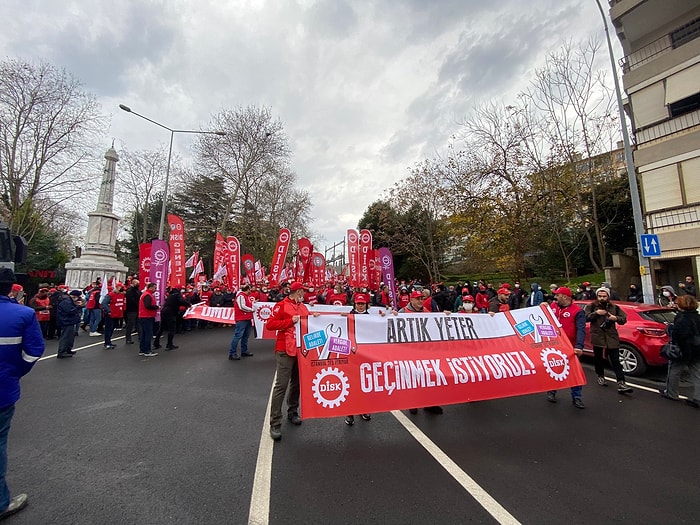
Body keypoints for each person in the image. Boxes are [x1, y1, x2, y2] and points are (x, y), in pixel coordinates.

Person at [0, 268, 44, 519]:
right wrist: (16, 371)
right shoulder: (23, 313)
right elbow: (34, 350)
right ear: (11, 289)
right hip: (3, 389)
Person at [266, 282, 317, 440]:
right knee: (281, 385)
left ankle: (292, 411)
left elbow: (309, 323)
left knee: (297, 383)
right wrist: (290, 321)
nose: (304, 294)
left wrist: (315, 318)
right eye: (303, 291)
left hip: (300, 351)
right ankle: (275, 422)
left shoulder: (303, 307)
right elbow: (270, 325)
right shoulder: (281, 306)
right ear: (298, 291)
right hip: (285, 350)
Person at [397, 291, 443, 415]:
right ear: (411, 300)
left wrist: (446, 315)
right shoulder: (403, 312)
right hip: (409, 350)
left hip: (425, 350)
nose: (420, 301)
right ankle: (413, 403)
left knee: (429, 376)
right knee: (413, 377)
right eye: (417, 299)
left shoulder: (427, 312)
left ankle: (429, 403)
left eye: (422, 299)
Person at [584, 287, 633, 393]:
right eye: (600, 296)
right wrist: (596, 314)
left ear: (608, 296)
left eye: (604, 296)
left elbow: (623, 319)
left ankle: (621, 382)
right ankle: (600, 375)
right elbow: (585, 317)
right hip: (597, 336)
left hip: (611, 336)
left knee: (615, 360)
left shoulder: (614, 307)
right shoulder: (591, 306)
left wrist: (615, 318)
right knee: (598, 359)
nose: (602, 298)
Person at [547, 287, 585, 408]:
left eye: (557, 295)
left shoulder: (577, 311)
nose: (555, 297)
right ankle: (551, 391)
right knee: (553, 369)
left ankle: (577, 397)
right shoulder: (552, 306)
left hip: (571, 347)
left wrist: (579, 346)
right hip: (554, 346)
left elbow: (581, 329)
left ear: (564, 296)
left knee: (575, 372)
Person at [659, 294, 700, 407]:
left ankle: (671, 393)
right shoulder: (697, 317)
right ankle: (698, 398)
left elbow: (678, 335)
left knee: (674, 372)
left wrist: (669, 328)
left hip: (682, 351)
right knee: (697, 374)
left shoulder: (681, 318)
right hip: (697, 350)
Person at [343, 293, 373, 426]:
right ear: (354, 304)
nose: (360, 306)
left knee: (364, 384)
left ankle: (364, 409)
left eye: (362, 304)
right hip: (351, 355)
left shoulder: (372, 318)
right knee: (351, 384)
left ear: (366, 304)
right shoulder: (347, 316)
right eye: (358, 304)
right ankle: (349, 412)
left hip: (365, 355)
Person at [228, 284, 255, 360]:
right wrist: (251, 310)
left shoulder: (246, 296)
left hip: (247, 318)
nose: (251, 291)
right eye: (250, 289)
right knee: (238, 335)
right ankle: (232, 353)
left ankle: (244, 351)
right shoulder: (241, 296)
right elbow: (242, 306)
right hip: (241, 319)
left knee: (245, 336)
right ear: (247, 289)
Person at [56, 290, 84, 358]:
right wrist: (78, 306)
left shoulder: (69, 301)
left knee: (70, 337)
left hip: (69, 321)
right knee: (65, 337)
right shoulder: (66, 301)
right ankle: (62, 351)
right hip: (66, 321)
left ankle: (68, 349)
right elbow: (70, 311)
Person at [100, 282, 125, 349]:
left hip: (117, 314)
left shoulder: (121, 295)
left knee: (111, 329)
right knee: (108, 329)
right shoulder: (110, 295)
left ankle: (109, 342)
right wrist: (109, 311)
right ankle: (107, 343)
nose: (122, 289)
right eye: (121, 287)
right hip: (111, 315)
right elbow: (103, 303)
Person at [138, 283, 159, 357]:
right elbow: (148, 306)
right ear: (151, 288)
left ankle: (142, 350)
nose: (155, 289)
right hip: (147, 316)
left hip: (145, 316)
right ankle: (147, 350)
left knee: (144, 333)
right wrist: (156, 307)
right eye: (154, 288)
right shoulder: (147, 295)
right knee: (148, 334)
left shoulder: (146, 294)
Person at [124, 279, 141, 345]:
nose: (138, 285)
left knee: (138, 323)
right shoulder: (130, 291)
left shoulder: (138, 290)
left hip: (137, 309)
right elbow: (131, 300)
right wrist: (138, 304)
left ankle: (140, 336)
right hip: (131, 310)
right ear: (133, 283)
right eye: (137, 283)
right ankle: (128, 338)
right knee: (130, 324)